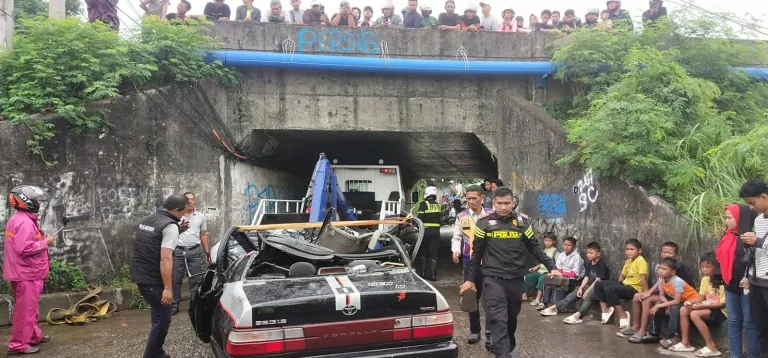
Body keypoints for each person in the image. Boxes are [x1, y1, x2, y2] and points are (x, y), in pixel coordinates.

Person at [460, 187, 561, 358]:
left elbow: (534, 247)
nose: (503, 207)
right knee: (498, 319)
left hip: (515, 279)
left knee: (511, 318)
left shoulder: (522, 223)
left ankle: (507, 344)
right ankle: (503, 354)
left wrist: (552, 267)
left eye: (507, 203)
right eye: (499, 203)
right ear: (494, 203)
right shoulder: (484, 223)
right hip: (492, 279)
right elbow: (476, 253)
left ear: (513, 203)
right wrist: (470, 279)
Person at [131, 194, 189, 358]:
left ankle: (158, 352)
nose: (182, 216)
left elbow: (152, 241)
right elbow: (165, 258)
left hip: (141, 275)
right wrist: (168, 288)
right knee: (162, 321)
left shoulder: (149, 219)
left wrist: (179, 229)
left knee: (158, 315)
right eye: (182, 213)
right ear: (176, 210)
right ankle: (152, 355)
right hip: (154, 280)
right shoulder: (170, 226)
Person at [5, 185, 54, 355]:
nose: (37, 202)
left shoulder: (20, 219)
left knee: (30, 308)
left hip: (26, 272)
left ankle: (33, 336)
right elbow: (25, 248)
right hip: (27, 273)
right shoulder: (24, 222)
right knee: (25, 311)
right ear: (26, 201)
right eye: (35, 199)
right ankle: (18, 345)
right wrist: (46, 242)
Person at [714, 203, 760, 358]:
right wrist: (716, 280)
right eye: (725, 217)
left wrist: (750, 278)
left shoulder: (750, 237)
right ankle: (735, 355)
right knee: (733, 322)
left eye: (729, 217)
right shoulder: (727, 235)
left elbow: (758, 260)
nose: (726, 221)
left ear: (740, 218)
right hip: (730, 286)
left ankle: (753, 355)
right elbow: (718, 259)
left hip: (748, 286)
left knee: (749, 323)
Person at [451, 185, 494, 345]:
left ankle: (490, 331)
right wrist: (456, 250)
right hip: (469, 263)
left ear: (482, 198)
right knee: (471, 298)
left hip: (490, 263)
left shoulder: (491, 215)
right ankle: (474, 331)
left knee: (490, 298)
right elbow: (456, 237)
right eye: (468, 199)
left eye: (474, 198)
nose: (470, 202)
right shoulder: (461, 216)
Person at [628, 241, 695, 342]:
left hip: (679, 296)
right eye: (665, 252)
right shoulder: (662, 265)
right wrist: (649, 292)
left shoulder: (676, 267)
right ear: (661, 253)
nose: (667, 255)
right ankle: (639, 328)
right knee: (642, 297)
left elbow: (676, 291)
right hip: (669, 293)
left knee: (649, 300)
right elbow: (661, 281)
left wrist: (657, 300)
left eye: (670, 253)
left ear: (676, 256)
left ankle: (643, 331)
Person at [670, 252, 726, 356]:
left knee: (694, 314)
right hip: (708, 307)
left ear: (716, 267)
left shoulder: (722, 282)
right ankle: (685, 343)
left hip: (721, 311)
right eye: (702, 267)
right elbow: (700, 297)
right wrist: (689, 302)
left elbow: (722, 304)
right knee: (683, 309)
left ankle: (711, 346)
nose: (704, 269)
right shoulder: (705, 279)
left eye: (708, 267)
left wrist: (701, 306)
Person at [543, 242, 610, 324]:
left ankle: (577, 316)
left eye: (591, 253)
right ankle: (554, 308)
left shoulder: (601, 265)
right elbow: (586, 277)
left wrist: (587, 291)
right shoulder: (590, 263)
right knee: (573, 295)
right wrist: (581, 288)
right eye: (588, 253)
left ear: (598, 253)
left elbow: (597, 281)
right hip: (590, 285)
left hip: (599, 288)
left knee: (588, 297)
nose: (588, 255)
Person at [739, 179, 768, 356]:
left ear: (764, 196)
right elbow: (758, 252)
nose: (751, 207)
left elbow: (760, 245)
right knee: (761, 328)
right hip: (757, 282)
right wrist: (749, 276)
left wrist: (756, 241)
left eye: (752, 203)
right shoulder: (758, 221)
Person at [593, 239, 649, 329]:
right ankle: (605, 310)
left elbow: (644, 279)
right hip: (625, 285)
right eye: (627, 249)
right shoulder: (628, 261)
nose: (629, 252)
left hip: (634, 289)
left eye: (632, 249)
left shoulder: (640, 261)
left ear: (639, 251)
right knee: (599, 284)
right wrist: (617, 285)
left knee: (609, 289)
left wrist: (646, 293)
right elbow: (622, 276)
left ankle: (623, 315)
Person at [170, 192, 210, 316]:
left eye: (192, 199)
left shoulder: (200, 216)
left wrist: (207, 250)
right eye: (188, 199)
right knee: (176, 279)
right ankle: (175, 305)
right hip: (178, 251)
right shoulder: (177, 216)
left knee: (195, 279)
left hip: (194, 252)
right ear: (183, 201)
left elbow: (203, 234)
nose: (190, 202)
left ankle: (194, 304)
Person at [539, 237, 586, 313]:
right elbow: (559, 268)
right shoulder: (562, 255)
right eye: (565, 245)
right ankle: (545, 302)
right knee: (548, 278)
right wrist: (556, 274)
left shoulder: (577, 257)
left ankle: (556, 306)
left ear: (574, 247)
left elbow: (575, 273)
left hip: (574, 279)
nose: (566, 247)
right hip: (563, 276)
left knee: (560, 282)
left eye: (569, 245)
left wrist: (561, 274)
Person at [521, 232, 558, 307]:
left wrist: (552, 271)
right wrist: (536, 267)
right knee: (529, 277)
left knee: (542, 279)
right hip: (540, 271)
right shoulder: (543, 250)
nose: (547, 243)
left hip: (547, 272)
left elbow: (557, 263)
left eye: (550, 241)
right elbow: (542, 262)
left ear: (554, 242)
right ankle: (524, 295)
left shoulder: (555, 251)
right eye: (546, 240)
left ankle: (538, 299)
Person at [417, 185, 442, 281]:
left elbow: (419, 219)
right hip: (436, 231)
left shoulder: (423, 204)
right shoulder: (438, 205)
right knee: (434, 251)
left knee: (424, 250)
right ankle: (433, 276)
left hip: (426, 231)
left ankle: (423, 273)